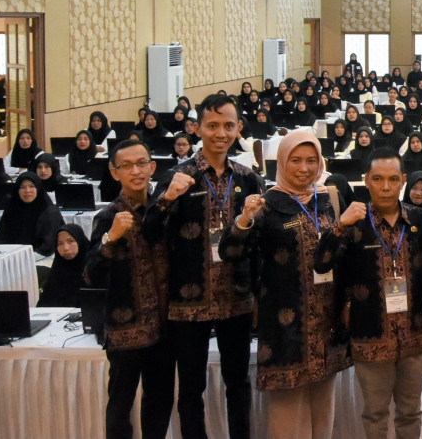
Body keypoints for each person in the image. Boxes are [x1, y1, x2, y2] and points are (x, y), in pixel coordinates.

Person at [143, 94, 264, 439]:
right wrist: (167, 199)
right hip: (188, 300)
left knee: (238, 384)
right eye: (212, 126)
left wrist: (257, 295)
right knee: (191, 388)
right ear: (197, 128)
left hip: (237, 297)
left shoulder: (249, 179)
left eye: (228, 125)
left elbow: (258, 246)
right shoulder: (180, 176)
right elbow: (150, 232)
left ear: (239, 128)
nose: (221, 133)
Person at [220, 129, 350, 439]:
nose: (304, 168)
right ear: (282, 161)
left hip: (325, 320)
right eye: (295, 160)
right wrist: (243, 220)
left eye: (311, 160)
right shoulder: (266, 203)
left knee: (323, 408)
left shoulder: (327, 198)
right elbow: (231, 252)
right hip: (284, 324)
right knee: (287, 414)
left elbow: (340, 253)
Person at [314, 150, 422, 439]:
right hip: (369, 336)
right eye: (378, 179)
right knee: (375, 414)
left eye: (393, 179)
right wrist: (340, 226)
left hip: (415, 334)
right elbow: (321, 263)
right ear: (366, 181)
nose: (386, 186)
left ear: (403, 182)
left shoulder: (417, 219)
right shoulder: (354, 221)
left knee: (410, 412)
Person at [85, 140, 174, 439]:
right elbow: (90, 275)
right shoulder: (107, 217)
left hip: (164, 326)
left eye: (142, 164)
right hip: (125, 331)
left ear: (152, 167)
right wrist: (110, 238)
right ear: (114, 172)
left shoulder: (165, 210)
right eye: (127, 166)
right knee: (121, 405)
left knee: (159, 401)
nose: (136, 171)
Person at [0, 171, 65, 255]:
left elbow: (47, 246)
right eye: (22, 187)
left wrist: (25, 256)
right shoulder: (12, 209)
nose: (27, 191)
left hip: (41, 257)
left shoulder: (50, 212)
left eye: (32, 186)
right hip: (12, 256)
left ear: (38, 188)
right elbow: (0, 240)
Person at [39, 223, 92, 307]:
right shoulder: (57, 271)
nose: (66, 248)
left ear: (79, 241)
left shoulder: (93, 269)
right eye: (60, 243)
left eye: (71, 241)